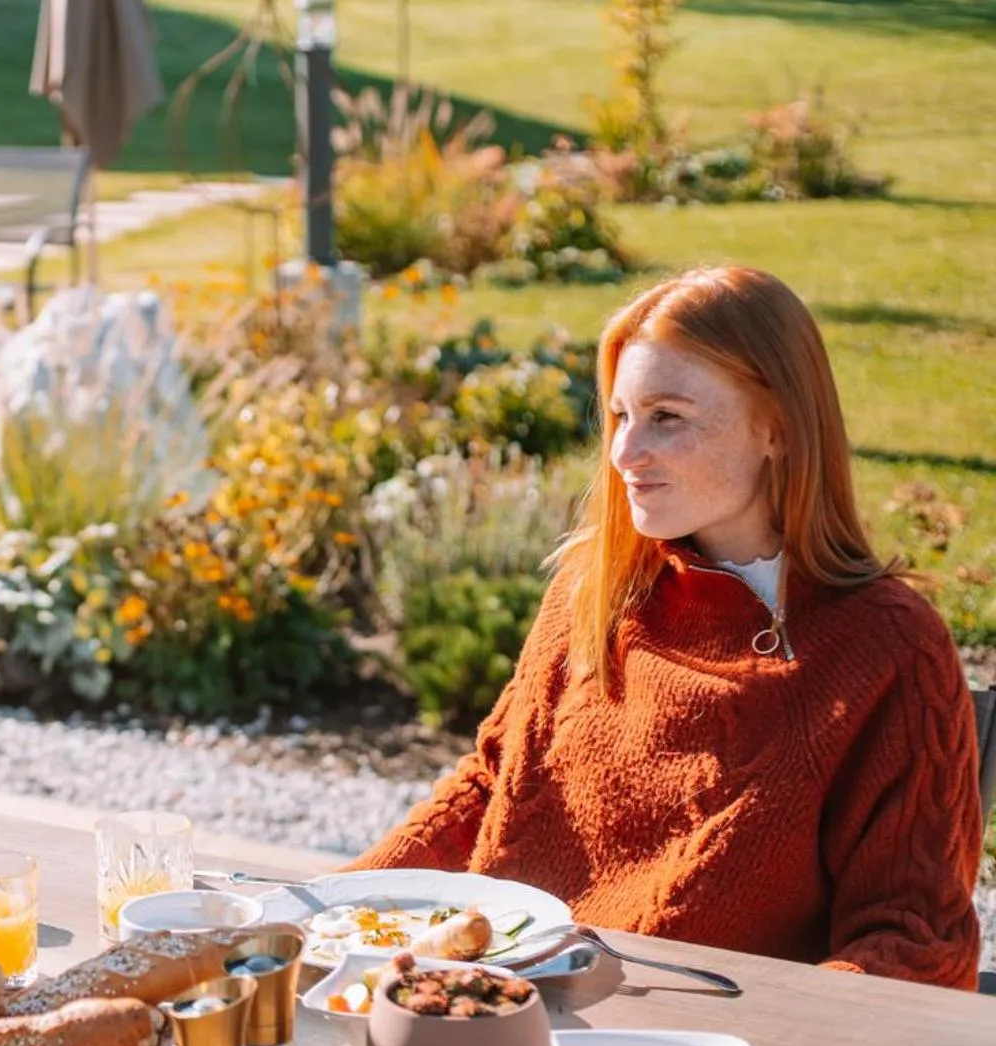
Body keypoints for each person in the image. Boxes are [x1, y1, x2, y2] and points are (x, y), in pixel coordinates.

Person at [347, 265, 982, 988]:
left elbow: (911, 942)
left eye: (667, 417)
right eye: (620, 416)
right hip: (485, 1011)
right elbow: (492, 785)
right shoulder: (595, 590)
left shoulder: (886, 648)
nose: (623, 454)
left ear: (776, 427)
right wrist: (324, 911)